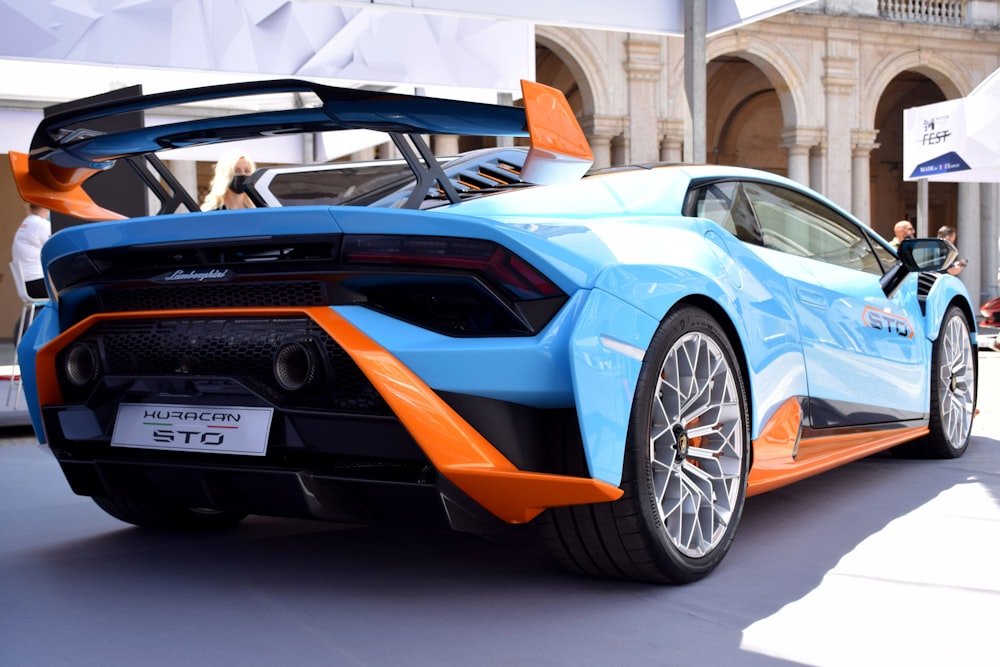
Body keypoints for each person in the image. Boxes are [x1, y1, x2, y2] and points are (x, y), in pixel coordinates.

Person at [11, 202, 51, 298]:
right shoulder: (41, 224)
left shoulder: (27, 222)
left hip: (28, 284)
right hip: (39, 283)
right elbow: (57, 248)